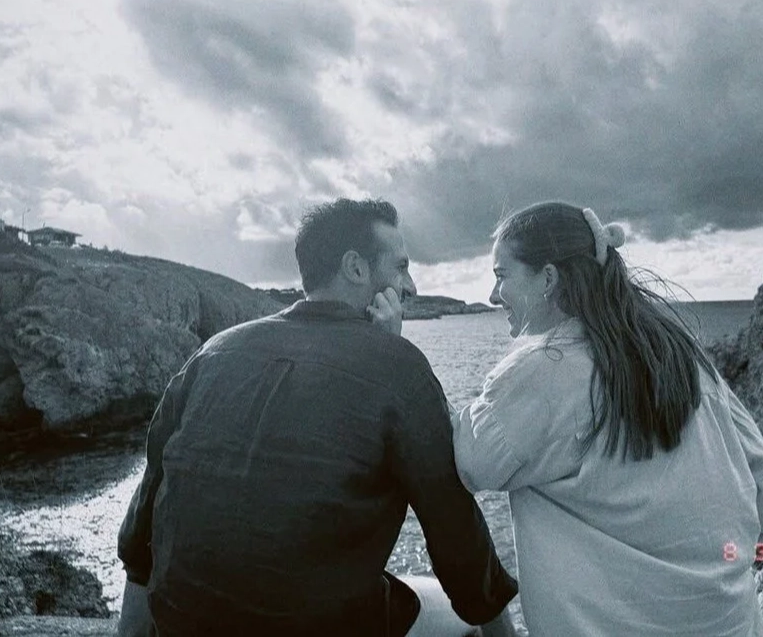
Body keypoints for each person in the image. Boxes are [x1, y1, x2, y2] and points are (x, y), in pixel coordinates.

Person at [117, 198, 518, 637]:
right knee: (463, 623)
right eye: (401, 267)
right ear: (356, 268)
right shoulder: (398, 369)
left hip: (183, 622)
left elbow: (142, 528)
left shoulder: (213, 353)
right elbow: (457, 538)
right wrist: (389, 351)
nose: (411, 287)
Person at [451, 202, 763, 636]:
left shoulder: (543, 370)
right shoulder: (678, 349)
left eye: (501, 275)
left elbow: (472, 464)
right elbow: (762, 476)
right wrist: (747, 553)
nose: (495, 295)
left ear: (548, 278)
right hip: (731, 620)